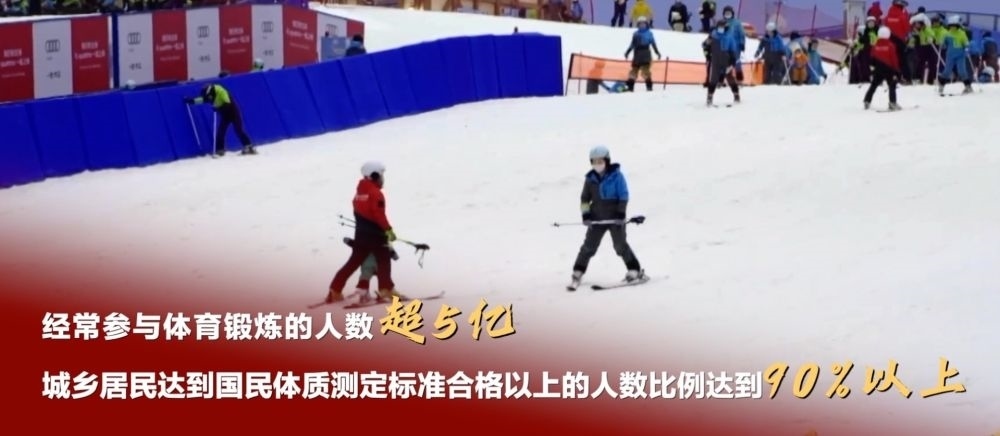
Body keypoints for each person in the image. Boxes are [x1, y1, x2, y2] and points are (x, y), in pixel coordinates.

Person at [568, 146, 645, 290]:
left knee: (620, 245)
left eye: (600, 161)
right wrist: (586, 215)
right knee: (589, 246)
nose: (597, 164)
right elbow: (585, 199)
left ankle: (634, 269)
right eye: (594, 161)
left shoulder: (617, 176)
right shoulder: (590, 179)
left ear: (607, 161)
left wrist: (621, 213)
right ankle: (578, 271)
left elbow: (623, 195)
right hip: (597, 219)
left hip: (615, 219)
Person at [326, 161, 402, 304]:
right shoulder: (376, 193)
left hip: (361, 235)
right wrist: (388, 230)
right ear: (374, 176)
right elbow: (379, 214)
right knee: (384, 259)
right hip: (375, 235)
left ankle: (335, 290)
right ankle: (386, 289)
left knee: (353, 262)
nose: (382, 179)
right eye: (381, 175)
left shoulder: (359, 193)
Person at [184, 83, 255, 156]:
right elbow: (203, 99)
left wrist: (218, 108)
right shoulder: (209, 94)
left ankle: (249, 147)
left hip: (233, 111)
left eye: (209, 96)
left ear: (210, 92)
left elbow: (228, 103)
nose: (209, 98)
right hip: (225, 115)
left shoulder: (221, 91)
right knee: (220, 132)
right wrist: (191, 101)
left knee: (238, 130)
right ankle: (220, 150)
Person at [342, 237, 398, 303]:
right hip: (375, 263)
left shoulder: (367, 239)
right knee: (380, 277)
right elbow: (389, 248)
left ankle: (368, 293)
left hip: (371, 263)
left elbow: (357, 244)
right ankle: (368, 293)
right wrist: (393, 254)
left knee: (369, 276)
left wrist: (349, 241)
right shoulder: (380, 240)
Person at [863, 26, 901, 110]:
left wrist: (872, 68)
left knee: (873, 85)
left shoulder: (875, 45)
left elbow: (872, 57)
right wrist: (896, 69)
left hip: (878, 68)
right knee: (892, 86)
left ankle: (867, 101)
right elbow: (894, 58)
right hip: (889, 69)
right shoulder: (891, 45)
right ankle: (892, 103)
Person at [705, 18, 741, 105]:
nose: (720, 28)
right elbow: (705, 45)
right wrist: (707, 52)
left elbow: (733, 49)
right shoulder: (713, 35)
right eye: (719, 27)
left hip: (726, 59)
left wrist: (732, 60)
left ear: (726, 28)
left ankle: (736, 94)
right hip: (715, 59)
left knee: (729, 77)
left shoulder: (729, 37)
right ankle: (710, 97)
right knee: (713, 78)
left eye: (722, 27)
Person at [624, 15, 662, 92]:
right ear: (638, 25)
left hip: (645, 54)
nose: (642, 26)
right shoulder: (636, 34)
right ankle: (630, 87)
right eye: (640, 24)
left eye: (643, 24)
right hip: (637, 54)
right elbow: (632, 44)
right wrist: (627, 52)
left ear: (646, 24)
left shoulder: (649, 33)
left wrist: (657, 52)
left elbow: (653, 43)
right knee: (634, 70)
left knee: (645, 71)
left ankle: (649, 87)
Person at [937, 15, 972, 95]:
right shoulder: (947, 34)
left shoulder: (962, 33)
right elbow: (943, 44)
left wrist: (967, 47)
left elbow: (966, 42)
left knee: (962, 71)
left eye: (955, 26)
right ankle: (941, 86)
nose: (953, 27)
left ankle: (968, 87)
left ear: (958, 26)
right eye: (951, 26)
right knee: (947, 71)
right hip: (950, 55)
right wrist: (941, 44)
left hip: (960, 55)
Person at [881, 0, 911, 84]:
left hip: (890, 39)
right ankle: (906, 78)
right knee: (902, 60)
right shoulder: (902, 15)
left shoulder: (888, 15)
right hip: (900, 40)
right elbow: (907, 28)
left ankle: (894, 76)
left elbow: (885, 26)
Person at [721, 5, 746, 82]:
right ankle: (725, 78)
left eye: (729, 13)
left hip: (736, 46)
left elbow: (741, 33)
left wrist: (742, 43)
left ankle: (739, 78)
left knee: (736, 61)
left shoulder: (736, 23)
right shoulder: (722, 22)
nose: (728, 15)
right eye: (726, 13)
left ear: (732, 13)